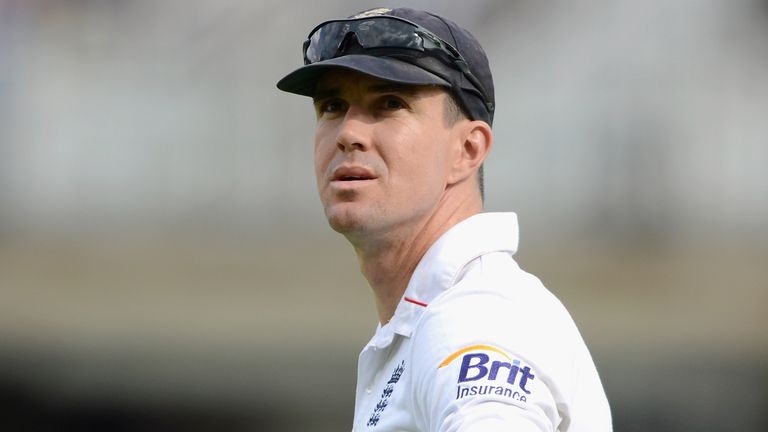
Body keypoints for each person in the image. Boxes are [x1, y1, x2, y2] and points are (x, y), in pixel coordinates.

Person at [276, 7, 612, 431]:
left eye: (389, 103)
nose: (348, 133)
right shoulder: (439, 312)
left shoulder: (476, 315)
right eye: (332, 106)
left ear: (468, 150)